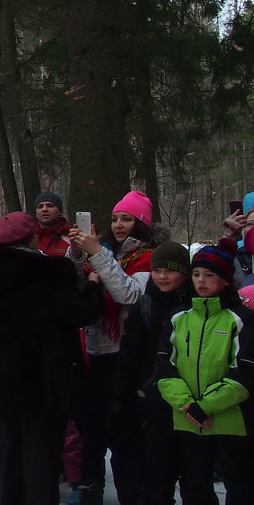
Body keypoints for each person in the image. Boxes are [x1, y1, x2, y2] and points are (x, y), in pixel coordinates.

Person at [0, 211, 103, 505]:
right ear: (32, 236)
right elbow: (80, 312)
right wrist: (93, 287)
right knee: (40, 463)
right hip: (45, 383)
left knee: (11, 458)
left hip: (7, 381)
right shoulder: (49, 273)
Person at [67, 190, 161, 504]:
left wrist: (97, 256)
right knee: (91, 429)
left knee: (123, 433)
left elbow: (127, 294)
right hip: (93, 350)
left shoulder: (150, 256)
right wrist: (78, 254)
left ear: (142, 223)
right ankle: (90, 487)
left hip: (125, 355)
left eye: (127, 219)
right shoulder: (105, 250)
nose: (119, 225)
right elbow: (77, 285)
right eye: (116, 218)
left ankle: (131, 494)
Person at [157, 241, 254, 504]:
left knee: (241, 486)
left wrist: (205, 406)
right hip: (187, 420)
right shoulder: (179, 316)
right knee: (195, 487)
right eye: (197, 274)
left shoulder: (241, 318)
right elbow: (165, 367)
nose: (201, 281)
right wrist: (188, 405)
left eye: (209, 275)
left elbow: (244, 372)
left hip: (231, 421)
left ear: (224, 280)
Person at [120, 240, 193, 505]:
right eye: (157, 270)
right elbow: (130, 354)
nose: (162, 276)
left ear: (184, 273)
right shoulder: (146, 304)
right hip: (153, 400)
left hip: (192, 400)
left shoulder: (198, 303)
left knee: (194, 477)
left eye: (170, 271)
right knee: (157, 476)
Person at [32, 192, 73, 258]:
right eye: (40, 206)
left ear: (60, 211)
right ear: (36, 213)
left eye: (50, 205)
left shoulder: (71, 239)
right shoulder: (28, 238)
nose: (44, 209)